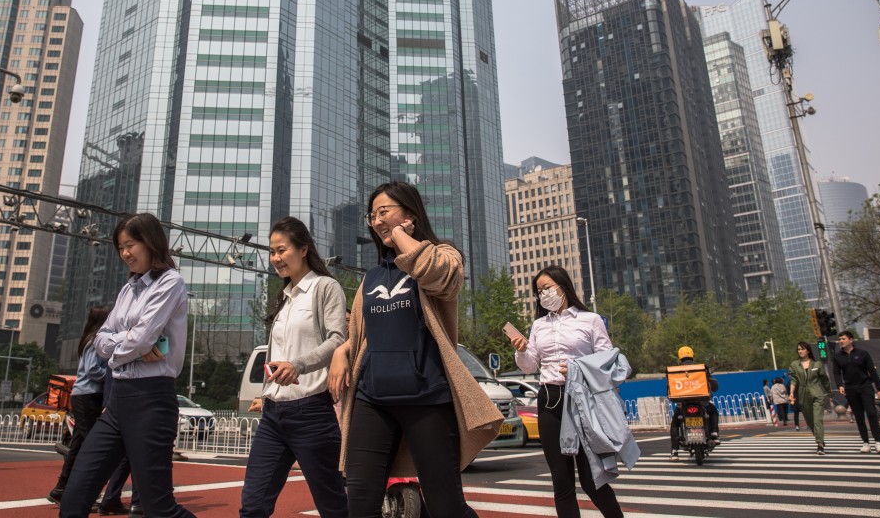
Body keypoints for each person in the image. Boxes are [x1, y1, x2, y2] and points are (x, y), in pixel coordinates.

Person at [328, 181, 503, 518]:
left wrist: (403, 238)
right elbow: (362, 333)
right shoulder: (373, 276)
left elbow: (437, 275)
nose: (377, 221)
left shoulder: (444, 255)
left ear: (410, 214)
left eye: (384, 212)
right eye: (372, 215)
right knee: (360, 503)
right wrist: (342, 351)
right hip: (372, 398)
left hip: (427, 397)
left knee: (445, 506)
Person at [59, 213, 195, 518]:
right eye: (120, 247)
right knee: (74, 498)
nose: (125, 254)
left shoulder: (170, 282)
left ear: (150, 242)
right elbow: (100, 339)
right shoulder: (128, 289)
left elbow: (141, 339)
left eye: (130, 244)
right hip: (117, 401)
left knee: (158, 508)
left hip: (151, 401)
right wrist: (130, 346)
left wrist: (126, 345)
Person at [239, 217, 348, 518]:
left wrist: (298, 366)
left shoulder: (325, 287)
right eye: (272, 252)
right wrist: (267, 391)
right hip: (274, 417)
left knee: (333, 506)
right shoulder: (283, 298)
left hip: (311, 413)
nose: (275, 258)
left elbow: (338, 338)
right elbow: (279, 353)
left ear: (303, 249)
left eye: (282, 250)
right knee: (253, 506)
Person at [509, 265, 627, 518]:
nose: (543, 295)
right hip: (550, 401)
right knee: (561, 479)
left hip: (583, 400)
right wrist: (520, 349)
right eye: (539, 291)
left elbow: (607, 362)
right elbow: (530, 365)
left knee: (591, 478)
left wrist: (577, 369)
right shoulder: (539, 325)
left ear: (563, 287)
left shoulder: (590, 320)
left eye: (547, 288)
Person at [47, 305, 110, 504]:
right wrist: (111, 376)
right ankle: (83, 492)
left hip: (85, 395)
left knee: (79, 444)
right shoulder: (94, 341)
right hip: (88, 395)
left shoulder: (90, 339)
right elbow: (92, 370)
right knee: (92, 445)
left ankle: (61, 488)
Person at [832, 329, 880, 454]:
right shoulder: (837, 356)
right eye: (840, 339)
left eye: (843, 339)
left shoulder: (863, 354)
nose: (841, 341)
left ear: (851, 340)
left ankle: (878, 442)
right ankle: (866, 443)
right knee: (858, 416)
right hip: (850, 388)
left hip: (865, 386)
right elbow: (836, 372)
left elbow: (872, 372)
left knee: (871, 413)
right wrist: (840, 385)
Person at [668, 346, 720, 460]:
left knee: (675, 424)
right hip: (702, 402)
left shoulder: (675, 372)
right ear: (692, 355)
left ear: (679, 358)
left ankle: (675, 450)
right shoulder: (701, 368)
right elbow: (714, 385)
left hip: (682, 404)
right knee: (713, 412)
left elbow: (670, 388)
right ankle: (714, 434)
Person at [788, 341, 831, 455]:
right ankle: (819, 438)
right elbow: (793, 379)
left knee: (817, 419)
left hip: (816, 392)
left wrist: (829, 393)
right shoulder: (794, 365)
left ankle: (820, 444)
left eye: (802, 349)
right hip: (803, 394)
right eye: (798, 349)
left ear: (808, 350)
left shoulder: (817, 364)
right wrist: (791, 392)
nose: (800, 351)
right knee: (810, 421)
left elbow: (825, 380)